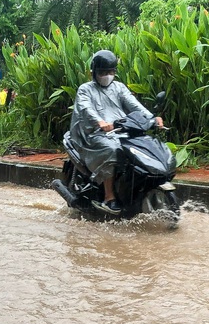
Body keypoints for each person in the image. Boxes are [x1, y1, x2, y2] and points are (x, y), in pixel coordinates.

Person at [68, 50, 164, 215]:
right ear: (94, 72)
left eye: (111, 72)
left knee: (141, 143)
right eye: (103, 72)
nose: (107, 75)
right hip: (93, 133)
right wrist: (100, 122)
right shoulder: (85, 89)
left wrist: (152, 118)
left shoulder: (119, 87)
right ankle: (109, 197)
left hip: (120, 130)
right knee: (112, 150)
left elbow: (134, 104)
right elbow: (86, 108)